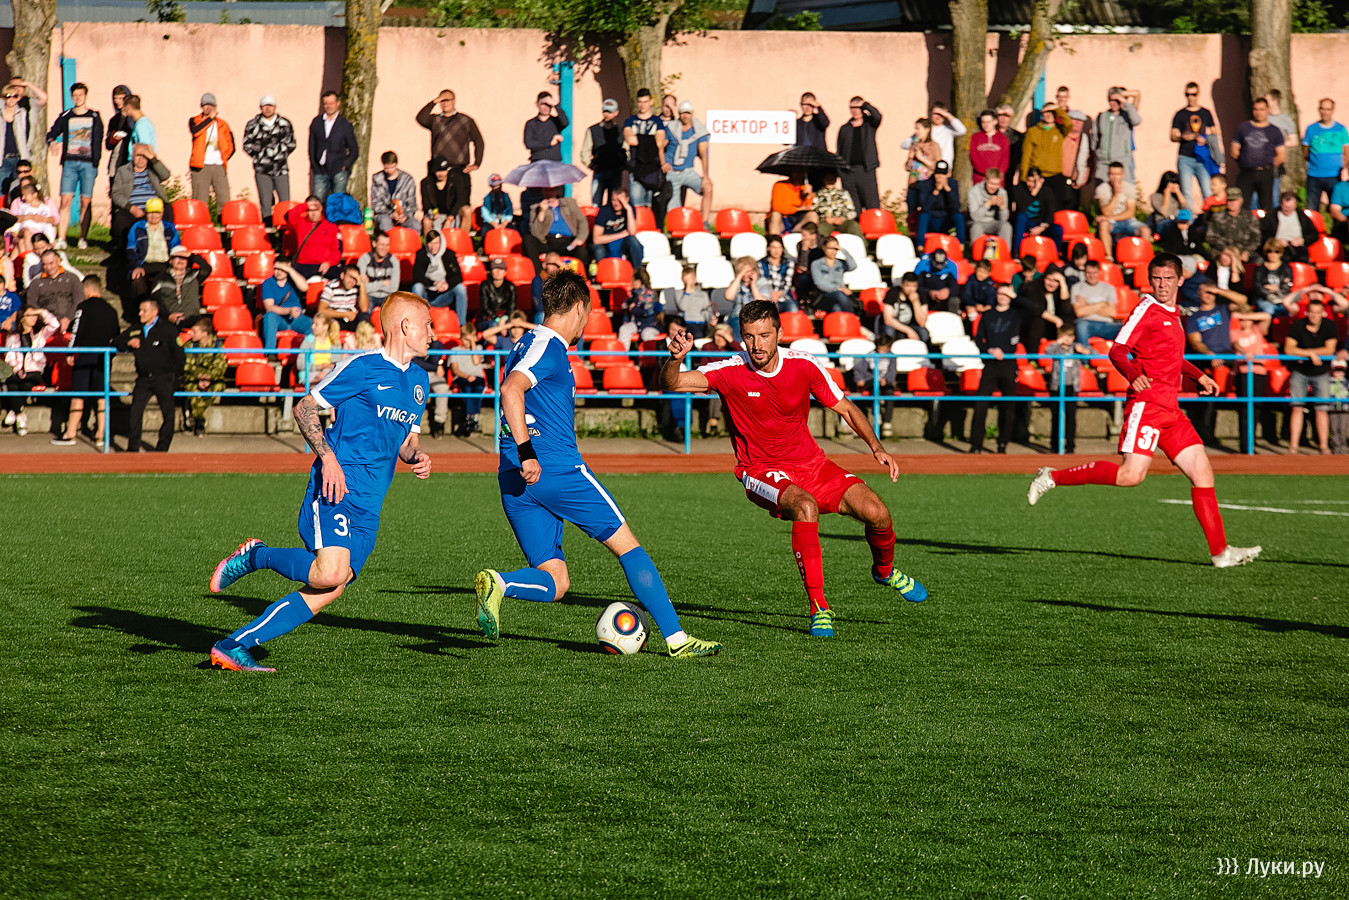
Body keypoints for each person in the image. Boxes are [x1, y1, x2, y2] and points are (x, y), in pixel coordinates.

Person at [473, 271, 720, 657]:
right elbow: (510, 390)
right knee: (628, 547)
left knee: (556, 580)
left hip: (514, 479)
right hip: (553, 469)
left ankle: (500, 583)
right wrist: (527, 451)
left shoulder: (525, 344)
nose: (586, 323)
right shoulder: (547, 345)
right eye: (587, 314)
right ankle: (677, 639)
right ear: (578, 308)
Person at [661, 299, 927, 637]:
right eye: (749, 337)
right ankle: (819, 608)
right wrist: (675, 359)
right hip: (760, 469)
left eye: (764, 335)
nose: (757, 345)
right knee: (805, 506)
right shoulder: (729, 370)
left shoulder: (804, 364)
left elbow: (846, 408)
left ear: (780, 334)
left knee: (878, 513)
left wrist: (877, 448)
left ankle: (885, 572)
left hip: (812, 464)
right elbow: (673, 383)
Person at [207, 292, 434, 672]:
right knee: (329, 572)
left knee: (331, 587)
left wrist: (417, 456)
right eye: (427, 324)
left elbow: (407, 441)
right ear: (405, 326)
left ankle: (234, 645)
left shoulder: (420, 381)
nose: (433, 332)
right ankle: (256, 555)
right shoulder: (362, 367)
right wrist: (328, 459)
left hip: (371, 504)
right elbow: (305, 408)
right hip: (337, 488)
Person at [1027, 254, 1261, 568]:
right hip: (1147, 406)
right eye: (1157, 279)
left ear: (1180, 280)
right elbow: (1118, 350)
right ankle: (1052, 476)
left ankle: (1221, 552)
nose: (1162, 285)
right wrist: (1132, 373)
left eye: (1168, 278)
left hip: (1171, 411)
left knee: (1203, 473)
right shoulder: (1146, 309)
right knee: (1130, 476)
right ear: (1150, 280)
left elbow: (1170, 356)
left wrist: (1199, 375)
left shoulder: (1174, 312)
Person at [52, 276, 118, 446]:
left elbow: (76, 330)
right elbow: (116, 336)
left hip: (86, 355)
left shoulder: (83, 307)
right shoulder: (111, 310)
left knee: (78, 394)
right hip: (104, 356)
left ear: (87, 289)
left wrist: (70, 351)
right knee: (102, 396)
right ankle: (101, 434)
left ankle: (70, 432)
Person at [117, 296, 184, 452]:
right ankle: (133, 448)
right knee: (135, 412)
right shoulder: (136, 329)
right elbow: (116, 341)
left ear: (155, 312)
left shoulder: (168, 329)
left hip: (163, 378)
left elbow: (179, 355)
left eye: (144, 310)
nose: (140, 313)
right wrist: (128, 342)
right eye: (140, 310)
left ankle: (162, 448)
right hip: (143, 379)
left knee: (168, 414)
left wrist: (175, 377)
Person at [45, 81, 103, 250]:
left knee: (85, 202)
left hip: (88, 164)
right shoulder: (66, 116)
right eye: (75, 96)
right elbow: (52, 132)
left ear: (86, 96)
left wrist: (96, 161)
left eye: (80, 95)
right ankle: (62, 237)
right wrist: (52, 142)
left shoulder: (94, 117)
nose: (77, 98)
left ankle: (82, 238)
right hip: (70, 163)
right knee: (65, 201)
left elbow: (99, 138)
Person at [968, 285, 1025, 454]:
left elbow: (1033, 309)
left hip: (1008, 364)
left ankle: (1003, 443)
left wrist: (1004, 351)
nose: (1002, 297)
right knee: (981, 404)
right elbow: (979, 339)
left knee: (1008, 406)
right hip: (990, 365)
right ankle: (976, 444)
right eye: (1000, 293)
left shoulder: (1016, 314)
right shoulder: (987, 315)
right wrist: (990, 350)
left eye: (1006, 294)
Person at [109, 143, 171, 299]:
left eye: (145, 156)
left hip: (153, 208)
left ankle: (168, 245)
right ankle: (125, 255)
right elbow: (115, 194)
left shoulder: (153, 169)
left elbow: (166, 175)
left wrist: (153, 158)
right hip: (133, 208)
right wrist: (131, 208)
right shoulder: (123, 171)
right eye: (138, 155)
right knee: (120, 220)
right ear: (132, 155)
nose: (142, 159)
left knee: (169, 209)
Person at [416, 90, 482, 227]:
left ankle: (461, 238)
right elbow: (420, 118)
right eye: (442, 101)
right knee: (435, 205)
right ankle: (435, 236)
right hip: (437, 170)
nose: (445, 103)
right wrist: (434, 101)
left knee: (463, 206)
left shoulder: (465, 120)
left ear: (454, 101)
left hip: (459, 169)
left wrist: (476, 163)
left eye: (448, 100)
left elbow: (478, 141)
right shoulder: (435, 120)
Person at [1283, 297, 1338, 455]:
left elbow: (1329, 350)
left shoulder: (1330, 326)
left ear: (1323, 313)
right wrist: (1311, 354)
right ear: (1306, 312)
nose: (1314, 316)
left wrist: (1304, 353)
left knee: (1322, 409)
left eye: (1317, 313)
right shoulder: (1297, 326)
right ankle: (1293, 447)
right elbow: (1288, 349)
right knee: (1297, 408)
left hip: (1321, 373)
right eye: (1311, 312)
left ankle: (1323, 446)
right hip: (1299, 371)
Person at [2, 305, 60, 436]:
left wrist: (41, 311)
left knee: (27, 382)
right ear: (22, 318)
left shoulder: (40, 334)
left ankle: (15, 412)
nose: (34, 318)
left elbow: (55, 324)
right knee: (14, 383)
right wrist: (17, 370)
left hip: (34, 371)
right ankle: (19, 415)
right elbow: (9, 356)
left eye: (35, 315)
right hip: (17, 372)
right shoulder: (13, 336)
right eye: (30, 315)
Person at [242, 94, 296, 223]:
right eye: (265, 106)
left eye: (270, 106)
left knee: (284, 202)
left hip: (281, 169)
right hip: (262, 170)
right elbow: (247, 145)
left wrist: (280, 155)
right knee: (265, 203)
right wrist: (260, 156)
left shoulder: (284, 123)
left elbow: (291, 144)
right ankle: (268, 230)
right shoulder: (252, 124)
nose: (268, 108)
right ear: (260, 107)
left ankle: (284, 230)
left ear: (275, 107)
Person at [1170, 82, 1222, 213]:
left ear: (1198, 94)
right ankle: (1187, 221)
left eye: (1193, 94)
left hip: (1202, 158)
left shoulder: (1205, 113)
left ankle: (1210, 219)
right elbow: (1172, 135)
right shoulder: (1180, 114)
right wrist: (1182, 137)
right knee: (1186, 193)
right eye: (1187, 94)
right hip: (1185, 157)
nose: (1190, 97)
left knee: (1207, 191)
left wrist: (1205, 139)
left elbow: (1214, 132)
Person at [1229, 98, 1284, 214]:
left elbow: (1281, 155)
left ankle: (1266, 225)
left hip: (1266, 173)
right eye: (1255, 109)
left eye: (1262, 109)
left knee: (1267, 207)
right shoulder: (1243, 128)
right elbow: (1234, 150)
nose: (1258, 112)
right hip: (1246, 173)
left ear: (1267, 110)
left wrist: (1267, 164)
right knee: (1242, 206)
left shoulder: (1274, 131)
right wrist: (1245, 161)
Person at [523, 186, 588, 277]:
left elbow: (582, 222)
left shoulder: (569, 203)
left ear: (557, 190)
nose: (548, 193)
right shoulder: (536, 207)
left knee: (582, 251)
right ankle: (539, 275)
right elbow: (536, 233)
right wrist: (541, 212)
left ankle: (578, 278)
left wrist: (580, 239)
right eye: (545, 190)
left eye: (551, 190)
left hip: (567, 242)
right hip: (547, 241)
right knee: (528, 239)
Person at [665, 101, 713, 223]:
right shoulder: (671, 128)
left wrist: (705, 177)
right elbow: (661, 146)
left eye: (688, 113)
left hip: (688, 171)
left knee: (708, 188)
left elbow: (703, 155)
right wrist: (663, 163)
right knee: (674, 210)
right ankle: (675, 229)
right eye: (682, 113)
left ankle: (705, 222)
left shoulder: (699, 131)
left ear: (692, 113)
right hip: (672, 172)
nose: (685, 116)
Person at [623, 88, 669, 213]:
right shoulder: (630, 121)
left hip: (652, 169)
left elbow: (659, 143)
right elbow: (631, 140)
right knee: (637, 206)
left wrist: (639, 137)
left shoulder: (657, 121)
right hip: (635, 168)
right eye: (640, 102)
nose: (642, 105)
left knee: (649, 206)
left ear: (651, 102)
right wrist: (650, 138)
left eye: (645, 102)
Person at [1095, 162, 1151, 261]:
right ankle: (1109, 257)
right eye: (1112, 174)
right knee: (1103, 225)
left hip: (1128, 221)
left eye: (1117, 174)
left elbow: (1130, 212)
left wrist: (1109, 217)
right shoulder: (1102, 189)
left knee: (1145, 230)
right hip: (1111, 223)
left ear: (1122, 175)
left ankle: (1145, 259)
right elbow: (1105, 212)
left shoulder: (1129, 188)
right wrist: (1116, 195)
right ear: (1108, 175)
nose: (1115, 177)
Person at [307, 91, 358, 201]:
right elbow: (311, 146)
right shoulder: (317, 122)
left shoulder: (345, 125)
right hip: (320, 170)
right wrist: (314, 166)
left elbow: (354, 149)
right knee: (317, 202)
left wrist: (345, 165)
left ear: (338, 103)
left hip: (339, 170)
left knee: (337, 203)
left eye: (331, 103)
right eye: (325, 104)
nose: (328, 106)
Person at [1043, 324, 1085, 454]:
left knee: (1071, 417)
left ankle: (1070, 445)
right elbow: (1047, 351)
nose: (1068, 340)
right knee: (1056, 416)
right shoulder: (1056, 349)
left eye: (1070, 336)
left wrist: (1084, 351)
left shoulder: (1076, 348)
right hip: (1057, 386)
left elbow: (1093, 355)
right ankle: (1054, 445)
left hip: (1071, 387)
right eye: (1065, 337)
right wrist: (1058, 342)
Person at [126, 196, 178, 299]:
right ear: (146, 213)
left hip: (165, 265)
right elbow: (131, 250)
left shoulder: (169, 227)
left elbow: (176, 248)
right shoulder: (137, 227)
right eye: (150, 213)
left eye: (157, 212)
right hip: (144, 264)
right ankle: (141, 306)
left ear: (162, 212)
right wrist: (136, 266)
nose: (153, 216)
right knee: (137, 278)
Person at [180, 317, 226, 436]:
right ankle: (200, 421)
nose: (192, 334)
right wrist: (199, 376)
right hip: (194, 378)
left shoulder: (218, 345)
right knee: (192, 388)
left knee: (218, 386)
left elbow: (220, 366)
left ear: (205, 333)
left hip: (212, 379)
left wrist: (208, 378)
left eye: (195, 331)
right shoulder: (190, 345)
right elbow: (187, 366)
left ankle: (196, 417)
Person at [188, 93, 234, 210]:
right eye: (205, 105)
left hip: (219, 165)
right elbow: (196, 132)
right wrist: (209, 119)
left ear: (215, 107)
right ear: (201, 106)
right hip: (200, 166)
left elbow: (231, 145)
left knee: (224, 199)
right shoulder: (194, 120)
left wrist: (224, 158)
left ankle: (223, 221)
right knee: (200, 201)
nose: (208, 107)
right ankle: (200, 221)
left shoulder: (223, 124)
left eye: (211, 105)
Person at [1302, 98, 1349, 212]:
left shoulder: (1341, 129)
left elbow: (1346, 153)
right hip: (1314, 176)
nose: (1325, 112)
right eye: (1322, 109)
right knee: (1311, 211)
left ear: (1332, 110)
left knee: (1336, 209)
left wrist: (1342, 168)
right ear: (1319, 110)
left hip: (1334, 176)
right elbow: (1305, 151)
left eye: (1328, 109)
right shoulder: (1311, 129)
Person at [836, 96, 883, 211]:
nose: (855, 110)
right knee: (852, 207)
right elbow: (839, 150)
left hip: (866, 170)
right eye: (852, 107)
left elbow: (877, 116)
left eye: (858, 107)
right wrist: (840, 171)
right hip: (848, 172)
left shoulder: (870, 125)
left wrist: (866, 105)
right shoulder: (844, 128)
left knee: (871, 204)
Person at [410, 230, 466, 321]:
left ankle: (461, 323)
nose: (433, 247)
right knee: (417, 287)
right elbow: (416, 276)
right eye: (430, 243)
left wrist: (447, 284)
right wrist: (434, 283)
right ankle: (416, 320)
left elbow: (458, 276)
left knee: (460, 288)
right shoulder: (421, 254)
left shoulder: (449, 254)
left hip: (443, 294)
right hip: (426, 295)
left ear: (441, 243)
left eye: (436, 243)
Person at [283, 195, 342, 279]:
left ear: (321, 209)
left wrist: (329, 263)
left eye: (316, 210)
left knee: (341, 276)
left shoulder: (331, 227)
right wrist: (305, 205)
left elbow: (337, 251)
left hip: (324, 264)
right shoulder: (300, 223)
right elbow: (288, 216)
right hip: (303, 265)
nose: (313, 214)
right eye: (310, 210)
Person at [581, 98, 626, 206]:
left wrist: (623, 165)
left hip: (616, 173)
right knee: (596, 204)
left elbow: (626, 150)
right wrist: (591, 165)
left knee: (615, 205)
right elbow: (585, 151)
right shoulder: (593, 130)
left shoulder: (621, 131)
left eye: (609, 112)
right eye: (605, 111)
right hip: (599, 173)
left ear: (616, 113)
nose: (607, 114)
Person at [1092, 87, 1142, 184]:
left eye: (1117, 100)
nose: (1114, 103)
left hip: (1122, 162)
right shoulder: (1101, 117)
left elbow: (1137, 120)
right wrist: (1097, 154)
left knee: (1124, 191)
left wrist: (1124, 101)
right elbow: (1095, 138)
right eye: (1111, 100)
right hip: (1103, 163)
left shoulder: (1126, 116)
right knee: (1102, 191)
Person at [259, 262, 313, 351]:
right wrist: (289, 311)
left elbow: (305, 288)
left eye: (282, 269)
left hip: (296, 319)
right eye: (276, 269)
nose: (279, 272)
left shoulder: (294, 280)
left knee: (310, 323)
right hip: (279, 319)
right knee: (269, 316)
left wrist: (290, 270)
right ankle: (269, 351)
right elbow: (269, 307)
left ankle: (309, 352)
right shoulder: (268, 283)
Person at [25, 249, 84, 329]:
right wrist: (45, 318)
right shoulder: (36, 282)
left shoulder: (71, 278)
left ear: (58, 261)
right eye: (44, 264)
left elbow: (78, 300)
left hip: (70, 323)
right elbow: (31, 305)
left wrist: (68, 318)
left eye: (51, 263)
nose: (48, 267)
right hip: (45, 324)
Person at [149, 246, 207, 326]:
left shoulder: (193, 275)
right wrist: (168, 316)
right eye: (177, 257)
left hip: (193, 320)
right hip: (169, 322)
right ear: (170, 261)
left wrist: (191, 256)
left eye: (184, 258)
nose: (181, 260)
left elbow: (207, 268)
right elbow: (156, 301)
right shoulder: (160, 278)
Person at [0, 82, 43, 188]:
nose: (11, 99)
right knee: (1, 190)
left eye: (15, 96)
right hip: (2, 158)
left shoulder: (23, 113)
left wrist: (28, 84)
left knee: (20, 188)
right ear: (4, 98)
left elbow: (43, 98)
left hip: (19, 158)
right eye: (8, 96)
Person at [1011, 167, 1062, 254]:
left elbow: (1050, 215)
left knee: (1058, 229)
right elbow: (1021, 208)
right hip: (1026, 223)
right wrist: (1033, 193)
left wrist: (1041, 227)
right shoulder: (1022, 189)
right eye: (1029, 181)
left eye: (1034, 181)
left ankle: (1055, 254)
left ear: (1041, 181)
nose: (1031, 184)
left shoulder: (1047, 192)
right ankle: (1017, 252)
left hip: (1041, 224)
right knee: (1021, 216)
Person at [1019, 104, 1070, 191]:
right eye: (1046, 112)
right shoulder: (1033, 131)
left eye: (1052, 112)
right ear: (1042, 114)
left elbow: (1068, 123)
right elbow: (1026, 155)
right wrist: (1024, 177)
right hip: (1037, 175)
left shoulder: (1060, 131)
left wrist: (1058, 109)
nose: (1049, 115)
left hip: (1055, 174)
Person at [590, 187, 644, 269]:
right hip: (605, 243)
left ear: (627, 200)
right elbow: (596, 239)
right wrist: (621, 235)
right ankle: (604, 273)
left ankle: (637, 270)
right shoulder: (604, 210)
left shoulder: (629, 209)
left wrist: (628, 209)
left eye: (620, 201)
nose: (616, 203)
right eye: (613, 200)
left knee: (633, 241)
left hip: (622, 242)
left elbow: (632, 232)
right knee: (599, 251)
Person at [913, 161, 965, 245]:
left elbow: (956, 207)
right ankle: (920, 245)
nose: (940, 176)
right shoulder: (925, 184)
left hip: (945, 219)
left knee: (958, 216)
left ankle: (960, 244)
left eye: (943, 174)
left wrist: (948, 190)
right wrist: (935, 191)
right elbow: (924, 207)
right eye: (938, 173)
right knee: (923, 215)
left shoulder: (953, 184)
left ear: (947, 175)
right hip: (931, 219)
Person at [1204, 188, 1262, 262]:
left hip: (1243, 251)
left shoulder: (1250, 217)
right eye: (1229, 200)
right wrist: (1226, 251)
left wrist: (1247, 252)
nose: (1232, 203)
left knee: (1258, 260)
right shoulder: (1217, 216)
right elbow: (1211, 237)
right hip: (1223, 251)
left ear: (1241, 200)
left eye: (1235, 200)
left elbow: (1256, 239)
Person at [1070, 260, 1120, 346]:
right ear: (1084, 273)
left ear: (1099, 272)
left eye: (1094, 273)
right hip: (1086, 323)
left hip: (1107, 325)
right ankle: (1084, 354)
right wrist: (1102, 304)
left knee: (1127, 328)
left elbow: (1112, 312)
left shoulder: (1109, 288)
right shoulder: (1077, 288)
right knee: (1081, 325)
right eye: (1089, 273)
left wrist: (1086, 305)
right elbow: (1079, 312)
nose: (1092, 276)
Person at [449, 325, 487, 436]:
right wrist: (467, 376)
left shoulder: (478, 348)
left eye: (471, 339)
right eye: (466, 339)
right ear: (461, 338)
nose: (468, 342)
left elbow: (476, 362)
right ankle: (471, 416)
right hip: (462, 377)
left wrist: (473, 344)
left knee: (479, 387)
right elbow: (454, 369)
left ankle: (472, 416)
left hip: (477, 377)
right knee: (467, 388)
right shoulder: (454, 350)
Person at [1260, 192, 1318, 263]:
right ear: (1281, 204)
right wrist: (1275, 242)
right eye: (1286, 207)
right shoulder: (1271, 216)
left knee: (1302, 259)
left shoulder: (1302, 216)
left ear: (1295, 205)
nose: (1288, 209)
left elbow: (1314, 234)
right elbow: (1262, 235)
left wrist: (1303, 240)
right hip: (1278, 249)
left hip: (1298, 249)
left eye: (1291, 207)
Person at [317, 263, 372, 332]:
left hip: (352, 319)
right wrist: (345, 314)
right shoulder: (331, 287)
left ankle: (364, 338)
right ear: (342, 276)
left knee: (365, 317)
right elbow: (321, 311)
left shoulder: (357, 288)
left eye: (355, 279)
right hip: (336, 319)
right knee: (329, 323)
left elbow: (364, 309)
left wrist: (362, 285)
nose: (351, 281)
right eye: (350, 277)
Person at [878, 272, 929, 343]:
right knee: (888, 331)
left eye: (914, 286)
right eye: (908, 286)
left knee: (923, 332)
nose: (911, 289)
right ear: (902, 284)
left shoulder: (921, 295)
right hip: (894, 325)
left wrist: (915, 302)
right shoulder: (892, 293)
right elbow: (888, 320)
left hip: (911, 325)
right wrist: (908, 331)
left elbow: (922, 323)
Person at [810, 236, 856, 314]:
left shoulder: (840, 263)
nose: (833, 251)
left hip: (841, 297)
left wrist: (843, 250)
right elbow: (819, 284)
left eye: (835, 249)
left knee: (836, 308)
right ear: (824, 248)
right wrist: (838, 289)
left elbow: (853, 266)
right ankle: (852, 318)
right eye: (830, 248)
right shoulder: (816, 264)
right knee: (839, 295)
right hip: (824, 295)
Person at [968, 167, 1012, 247]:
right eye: (991, 183)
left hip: (993, 223)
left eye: (996, 184)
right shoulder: (974, 192)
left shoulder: (1002, 193)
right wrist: (988, 204)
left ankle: (1005, 252)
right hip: (977, 222)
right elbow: (974, 217)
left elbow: (1004, 219)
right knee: (976, 227)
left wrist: (1003, 208)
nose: (993, 187)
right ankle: (976, 252)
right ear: (985, 180)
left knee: (1006, 226)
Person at [664, 265, 712, 338]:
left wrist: (710, 319)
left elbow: (707, 310)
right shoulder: (679, 293)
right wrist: (687, 292)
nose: (688, 282)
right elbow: (683, 307)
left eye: (690, 279)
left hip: (700, 323)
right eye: (686, 280)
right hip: (685, 323)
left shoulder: (703, 294)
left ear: (695, 279)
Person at [1251, 239, 1294, 317]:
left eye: (1276, 252)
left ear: (1281, 253)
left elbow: (1287, 286)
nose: (1273, 254)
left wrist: (1277, 289)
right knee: (1269, 309)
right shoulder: (1259, 269)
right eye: (1270, 251)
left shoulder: (1286, 269)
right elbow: (1258, 287)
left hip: (1282, 299)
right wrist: (1270, 293)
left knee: (1290, 310)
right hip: (1264, 299)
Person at [812, 171, 861, 239]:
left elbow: (852, 211)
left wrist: (843, 218)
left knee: (853, 225)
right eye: (828, 179)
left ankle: (863, 245)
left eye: (832, 178)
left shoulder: (843, 193)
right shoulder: (818, 194)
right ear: (824, 179)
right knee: (820, 230)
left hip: (842, 221)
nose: (830, 180)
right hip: (826, 222)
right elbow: (814, 211)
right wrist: (824, 218)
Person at [766, 167, 815, 235]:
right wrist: (797, 209)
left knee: (812, 215)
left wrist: (808, 195)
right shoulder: (780, 185)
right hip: (783, 218)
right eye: (796, 172)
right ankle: (774, 238)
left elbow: (808, 207)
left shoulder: (807, 187)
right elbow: (777, 207)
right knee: (775, 214)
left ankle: (809, 238)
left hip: (799, 220)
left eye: (801, 172)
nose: (798, 174)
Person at [355, 231, 398, 308]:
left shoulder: (394, 261)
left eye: (387, 245)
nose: (384, 248)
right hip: (369, 296)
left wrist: (370, 285)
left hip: (387, 296)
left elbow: (394, 288)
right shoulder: (364, 259)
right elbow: (362, 286)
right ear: (374, 244)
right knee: (364, 308)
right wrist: (383, 283)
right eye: (382, 245)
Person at [523, 91, 568, 162]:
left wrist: (556, 105)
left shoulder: (556, 122)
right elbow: (529, 144)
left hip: (555, 162)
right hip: (537, 162)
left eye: (548, 104)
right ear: (537, 104)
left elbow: (565, 122)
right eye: (543, 104)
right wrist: (549, 143)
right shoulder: (530, 124)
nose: (546, 107)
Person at [969, 110, 1010, 185]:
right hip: (979, 178)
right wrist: (986, 173)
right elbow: (973, 157)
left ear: (995, 122)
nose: (986, 125)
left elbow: (1005, 160)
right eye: (983, 122)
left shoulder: (1003, 139)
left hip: (997, 179)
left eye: (988, 122)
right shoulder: (975, 138)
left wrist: (996, 174)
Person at [758, 235, 797, 312]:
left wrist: (779, 293)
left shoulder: (789, 263)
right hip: (766, 296)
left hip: (784, 296)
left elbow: (787, 282)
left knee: (793, 309)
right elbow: (762, 281)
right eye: (774, 247)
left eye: (779, 248)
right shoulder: (761, 263)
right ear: (768, 248)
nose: (777, 251)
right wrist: (770, 294)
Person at [477, 257, 517, 330]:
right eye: (495, 268)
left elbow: (512, 307)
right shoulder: (484, 285)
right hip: (488, 319)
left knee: (515, 326)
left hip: (506, 318)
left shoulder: (510, 286)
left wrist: (504, 319)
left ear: (505, 272)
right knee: (494, 325)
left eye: (501, 269)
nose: (498, 271)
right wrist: (497, 319)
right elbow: (485, 308)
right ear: (490, 271)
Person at [914, 247, 958, 313]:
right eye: (937, 263)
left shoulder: (950, 268)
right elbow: (916, 286)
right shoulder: (922, 267)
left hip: (944, 300)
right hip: (927, 298)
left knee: (955, 300)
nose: (939, 267)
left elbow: (955, 287)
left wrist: (948, 291)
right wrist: (929, 292)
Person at [419, 156, 456, 234]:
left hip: (450, 214)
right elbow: (426, 204)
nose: (441, 174)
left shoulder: (454, 181)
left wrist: (450, 218)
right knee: (427, 221)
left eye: (443, 170)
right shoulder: (426, 183)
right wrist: (434, 213)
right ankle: (429, 241)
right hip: (436, 213)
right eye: (438, 171)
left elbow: (458, 201)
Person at [1328, 358, 1348, 454]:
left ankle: (1343, 445)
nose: (1339, 372)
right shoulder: (1329, 382)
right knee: (1334, 428)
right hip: (1332, 409)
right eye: (1336, 370)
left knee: (1343, 428)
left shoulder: (1346, 382)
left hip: (1344, 409)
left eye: (1341, 370)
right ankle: (1336, 446)